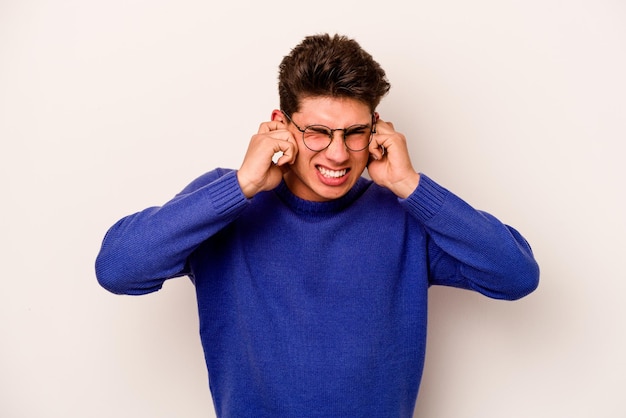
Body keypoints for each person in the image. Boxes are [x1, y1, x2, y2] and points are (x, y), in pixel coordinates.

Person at [95, 33, 539, 417]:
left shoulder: (404, 214)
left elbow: (516, 275)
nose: (338, 154)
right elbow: (117, 268)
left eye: (354, 133)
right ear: (280, 125)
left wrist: (410, 184)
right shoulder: (226, 202)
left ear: (377, 130)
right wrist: (243, 184)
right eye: (317, 132)